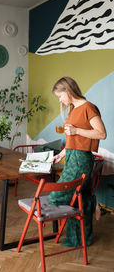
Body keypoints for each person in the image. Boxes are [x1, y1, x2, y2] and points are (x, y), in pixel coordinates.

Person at [48, 76, 106, 247]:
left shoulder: (89, 107)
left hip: (82, 160)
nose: (60, 99)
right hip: (71, 157)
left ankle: (92, 201)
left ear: (67, 91)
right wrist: (61, 154)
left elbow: (102, 134)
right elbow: (74, 139)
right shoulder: (73, 110)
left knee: (56, 197)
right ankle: (79, 239)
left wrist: (77, 130)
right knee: (76, 199)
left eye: (60, 96)